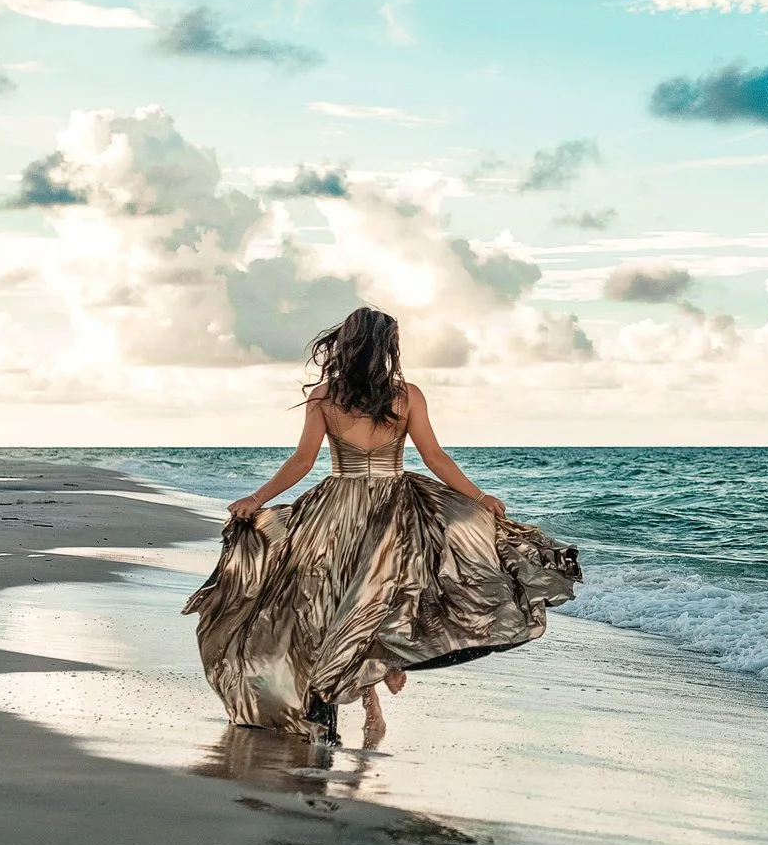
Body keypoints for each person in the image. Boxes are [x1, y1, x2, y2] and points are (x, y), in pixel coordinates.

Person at [184, 307, 581, 738]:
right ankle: (372, 693)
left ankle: (362, 698)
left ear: (346, 345)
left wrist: (258, 499)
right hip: (393, 510)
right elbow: (435, 457)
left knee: (334, 606)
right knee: (370, 602)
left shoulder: (324, 396)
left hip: (335, 511)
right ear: (387, 348)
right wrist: (478, 497)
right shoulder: (406, 395)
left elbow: (302, 461)